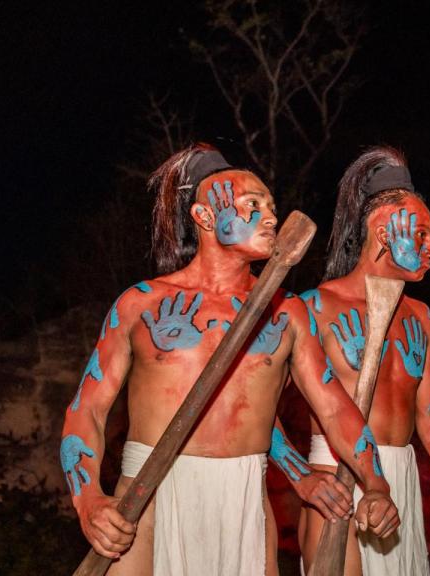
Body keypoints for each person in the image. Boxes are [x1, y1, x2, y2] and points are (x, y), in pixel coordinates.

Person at [60, 144, 398, 576]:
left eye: (272, 205)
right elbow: (87, 410)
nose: (271, 216)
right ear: (203, 217)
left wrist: (376, 483)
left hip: (244, 500)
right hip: (147, 497)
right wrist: (88, 500)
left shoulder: (288, 313)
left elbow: (335, 408)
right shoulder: (142, 305)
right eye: (252, 205)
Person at [296, 146, 430, 576]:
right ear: (384, 232)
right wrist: (301, 476)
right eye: (422, 234)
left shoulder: (421, 317)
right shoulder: (314, 308)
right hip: (336, 474)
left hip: (401, 476)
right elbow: (256, 403)